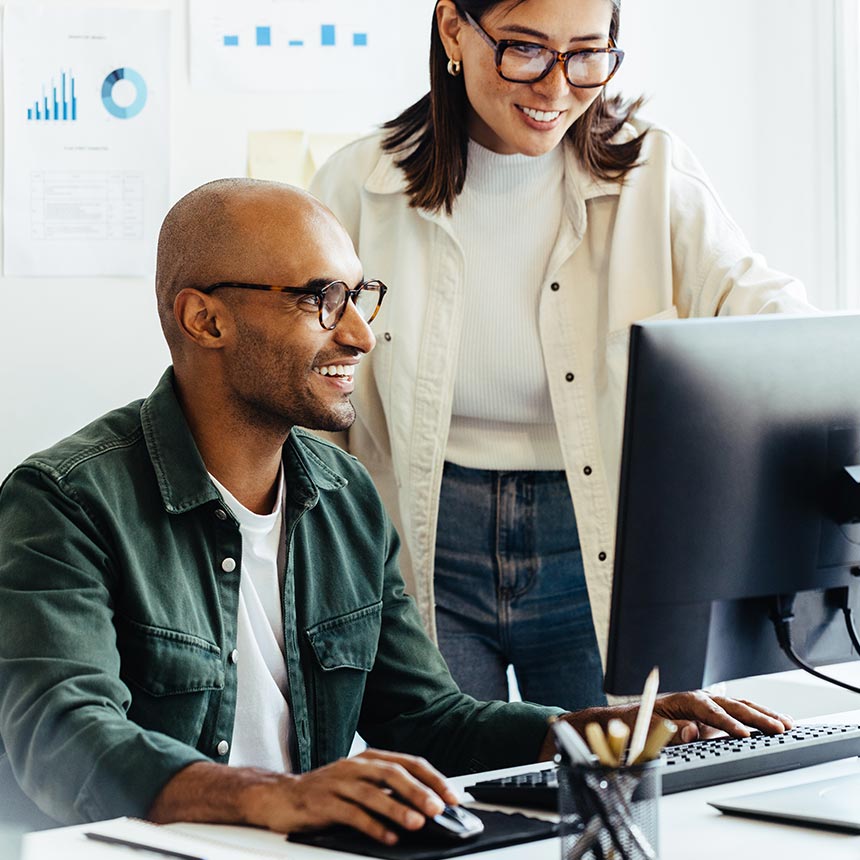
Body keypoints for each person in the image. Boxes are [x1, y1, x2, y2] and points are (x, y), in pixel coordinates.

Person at [0, 178, 792, 841]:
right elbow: (60, 735)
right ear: (205, 318)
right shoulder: (64, 501)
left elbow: (427, 719)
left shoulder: (343, 497)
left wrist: (589, 732)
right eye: (321, 298)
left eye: (359, 296)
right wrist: (270, 796)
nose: (359, 335)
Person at [309, 0, 815, 711]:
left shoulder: (655, 173)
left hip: (594, 538)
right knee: (463, 794)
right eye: (524, 49)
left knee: (614, 786)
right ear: (454, 28)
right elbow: (302, 383)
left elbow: (778, 326)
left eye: (586, 54)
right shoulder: (357, 186)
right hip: (423, 540)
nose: (556, 89)